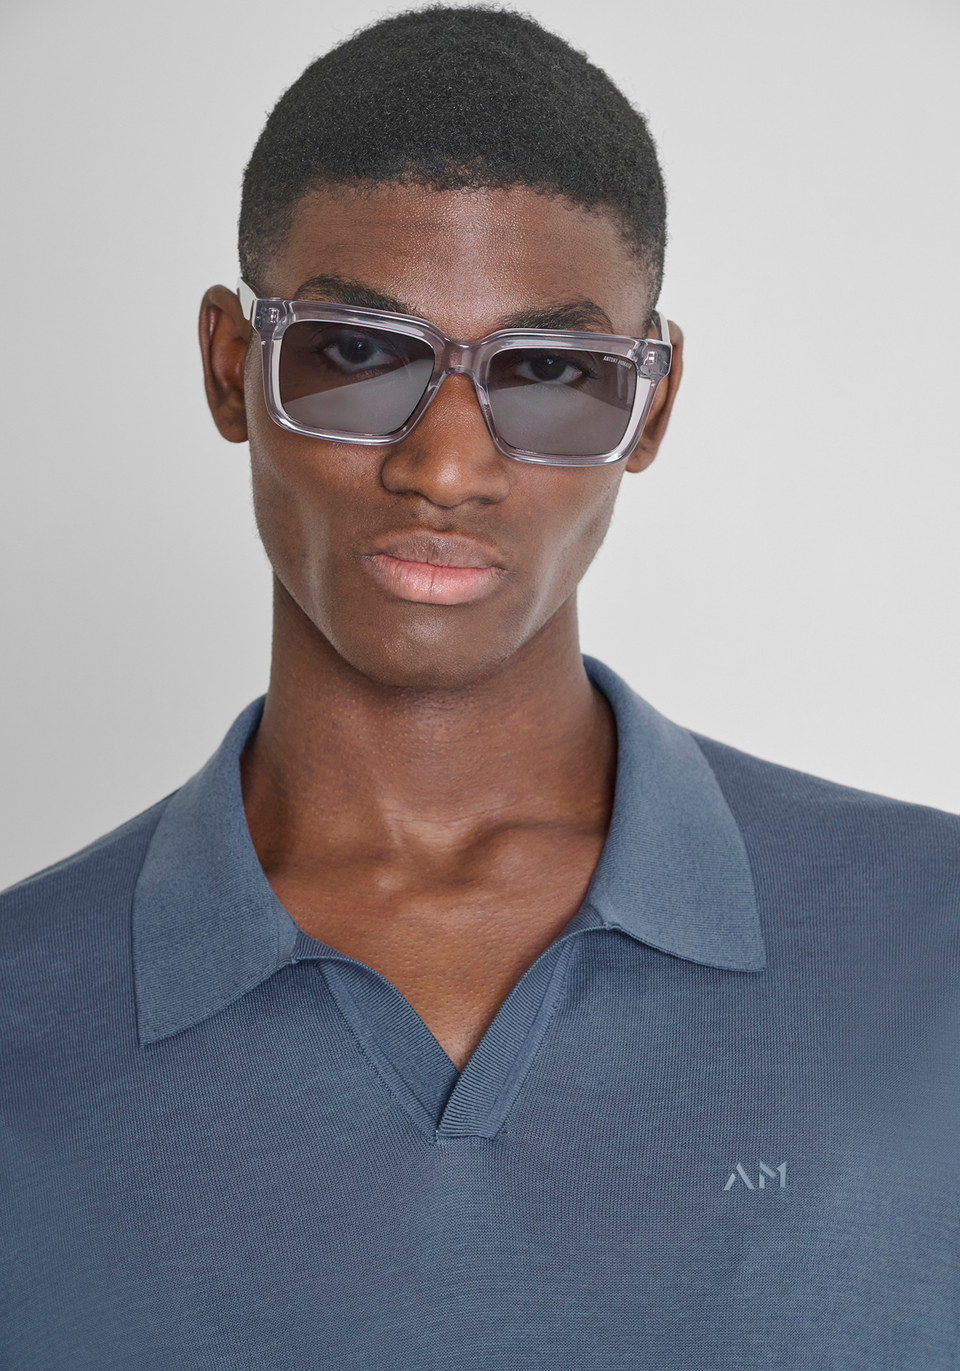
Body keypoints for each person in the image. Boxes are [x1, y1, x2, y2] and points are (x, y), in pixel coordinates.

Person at [2, 7, 958, 1368]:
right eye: (354, 353)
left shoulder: (935, 942)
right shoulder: (22, 1013)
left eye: (554, 373)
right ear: (230, 367)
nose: (445, 468)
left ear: (652, 405)